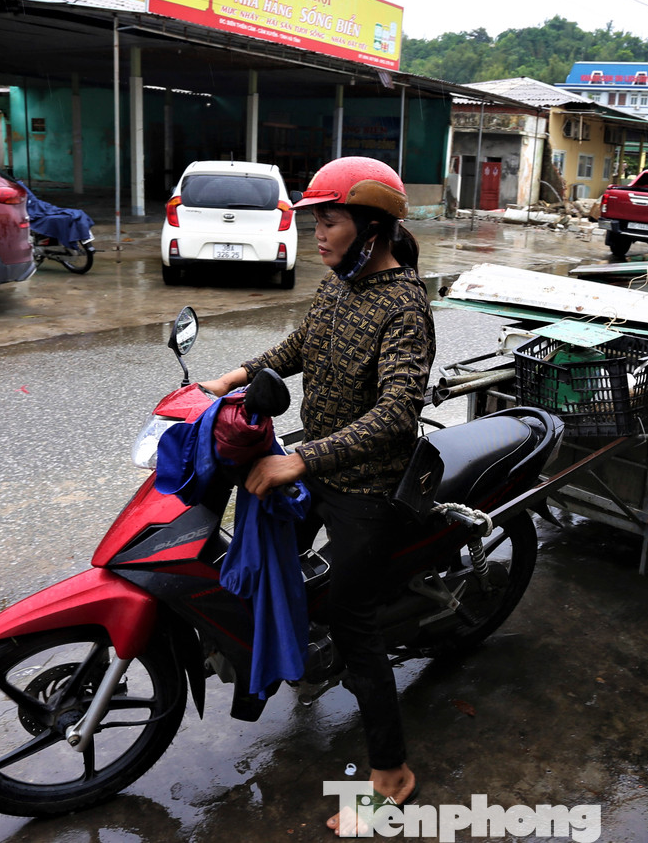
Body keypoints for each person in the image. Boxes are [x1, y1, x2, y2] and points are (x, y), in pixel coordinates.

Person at [198, 157, 433, 835]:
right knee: (255, 557)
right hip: (315, 467)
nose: (318, 236)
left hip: (366, 487)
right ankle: (286, 655)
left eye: (328, 222)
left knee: (356, 619)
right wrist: (233, 377)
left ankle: (392, 775)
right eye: (317, 223)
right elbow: (302, 344)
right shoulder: (338, 286)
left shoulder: (404, 306)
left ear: (371, 226)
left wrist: (299, 459)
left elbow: (396, 414)